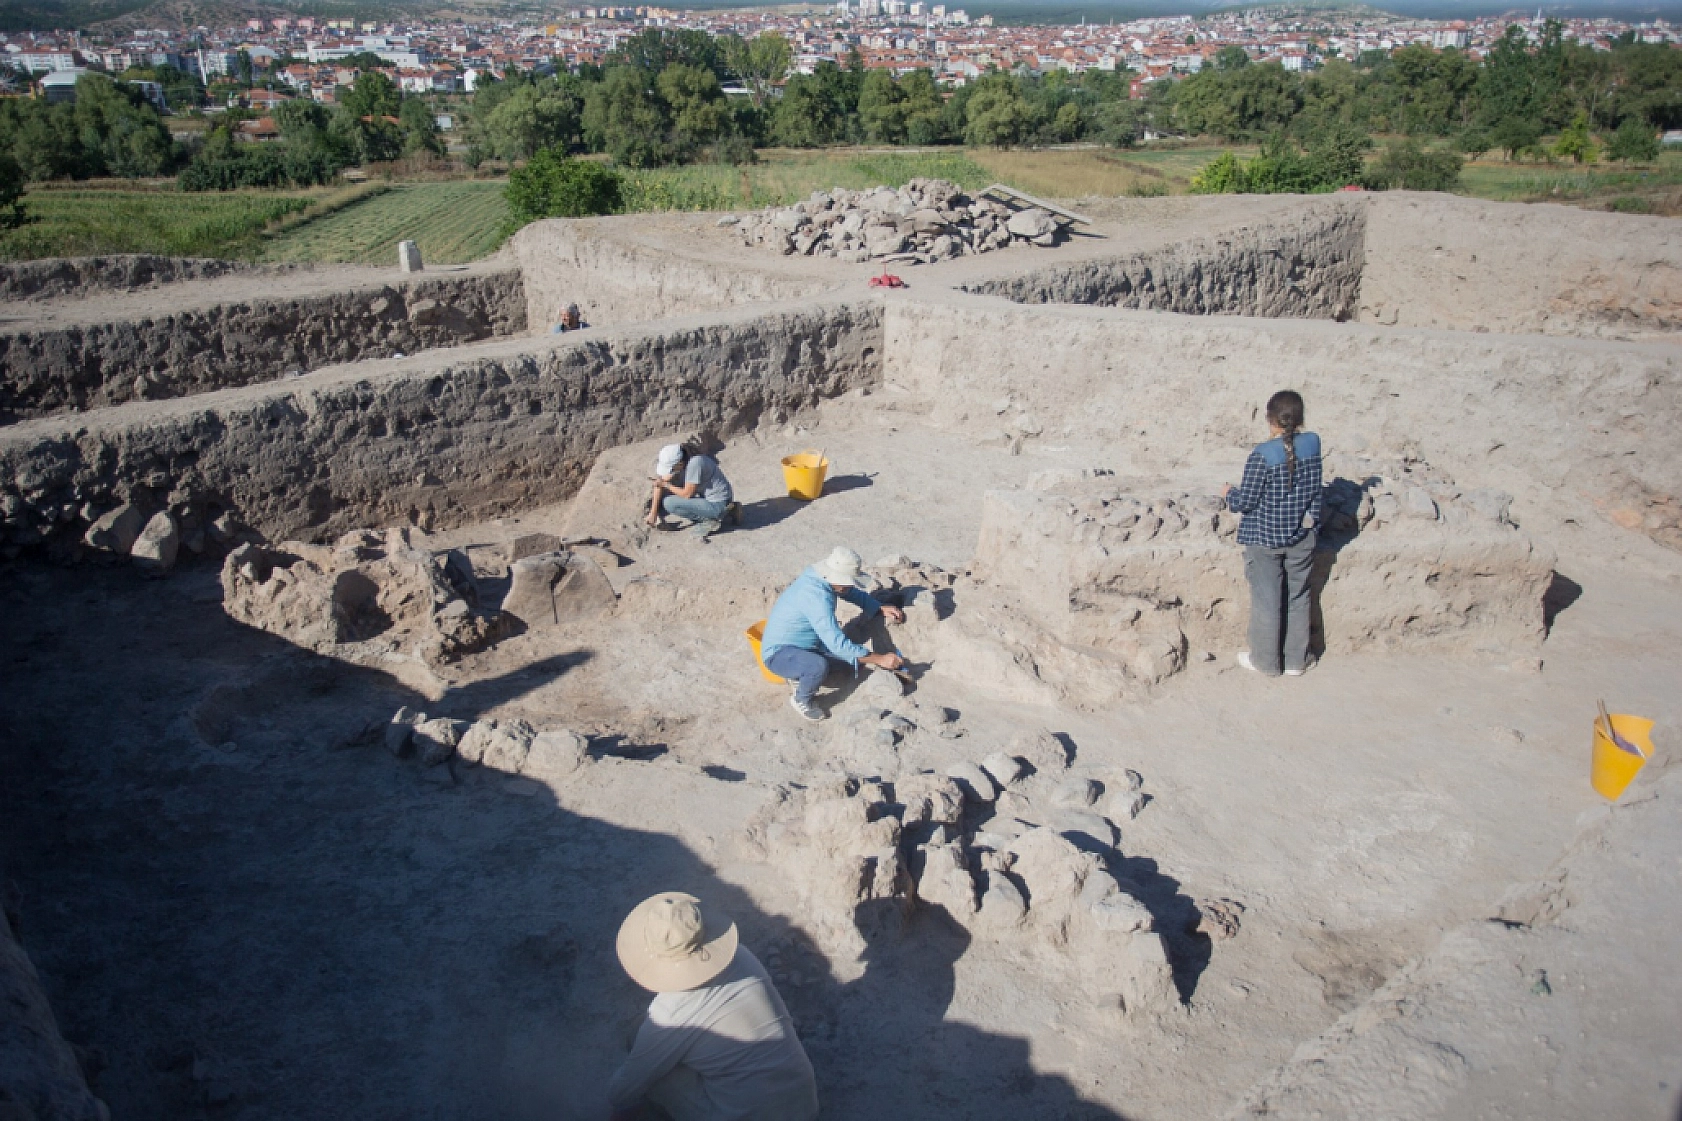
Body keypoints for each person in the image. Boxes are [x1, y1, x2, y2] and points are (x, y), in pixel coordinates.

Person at [607, 892, 819, 1121]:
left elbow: (622, 1092)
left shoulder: (669, 1015)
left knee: (644, 1051)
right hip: (804, 1107)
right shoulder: (741, 956)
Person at [1222, 390, 1323, 678]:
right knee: (1299, 596)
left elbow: (1247, 501)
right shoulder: (1313, 443)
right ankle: (1296, 661)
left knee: (1267, 599)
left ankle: (1266, 661)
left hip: (1265, 538)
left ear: (1270, 419)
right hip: (1302, 535)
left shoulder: (1262, 455)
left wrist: (1230, 494)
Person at [760, 547, 905, 722]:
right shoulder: (816, 596)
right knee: (818, 667)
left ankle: (799, 672)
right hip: (779, 654)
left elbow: (851, 593)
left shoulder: (824, 579)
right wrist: (880, 659)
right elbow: (837, 644)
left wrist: (877, 607)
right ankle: (801, 699)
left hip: (808, 646)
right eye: (848, 582)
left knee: (849, 666)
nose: (850, 585)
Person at [645, 443, 741, 538]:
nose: (670, 471)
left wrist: (666, 485)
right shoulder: (687, 459)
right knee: (671, 497)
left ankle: (712, 519)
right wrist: (653, 513)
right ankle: (730, 510)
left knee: (669, 503)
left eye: (671, 469)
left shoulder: (694, 464)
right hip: (722, 499)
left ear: (679, 463)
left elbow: (687, 494)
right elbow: (659, 483)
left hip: (718, 504)